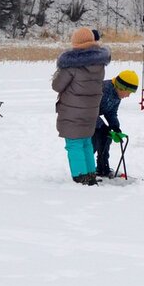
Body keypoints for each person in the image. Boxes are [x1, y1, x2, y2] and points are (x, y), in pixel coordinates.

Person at [52, 26, 111, 185]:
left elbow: (57, 86)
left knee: (74, 143)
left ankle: (80, 175)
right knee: (85, 141)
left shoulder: (71, 66)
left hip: (73, 111)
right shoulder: (100, 64)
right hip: (91, 110)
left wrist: (59, 71)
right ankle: (90, 173)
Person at [94, 69, 139, 178]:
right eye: (128, 92)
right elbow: (90, 110)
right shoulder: (103, 90)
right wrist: (101, 126)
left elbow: (111, 112)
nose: (128, 96)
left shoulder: (117, 95)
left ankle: (102, 168)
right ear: (121, 87)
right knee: (94, 141)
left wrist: (115, 127)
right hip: (83, 114)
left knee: (107, 136)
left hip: (93, 116)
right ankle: (85, 170)